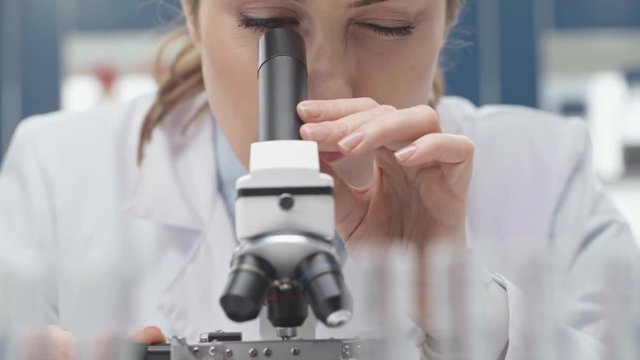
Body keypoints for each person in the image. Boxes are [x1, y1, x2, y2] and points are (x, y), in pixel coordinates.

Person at [0, 0, 638, 359]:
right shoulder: (57, 172)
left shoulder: (544, 171)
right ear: (193, 14)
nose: (322, 85)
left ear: (447, 16)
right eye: (263, 21)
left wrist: (466, 312)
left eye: (385, 25)